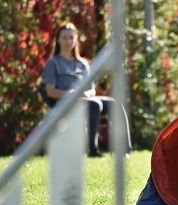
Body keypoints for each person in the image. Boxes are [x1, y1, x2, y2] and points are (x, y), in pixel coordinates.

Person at [41, 22, 132, 157]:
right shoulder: (53, 63)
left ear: (76, 40)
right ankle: (92, 149)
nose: (68, 41)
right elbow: (50, 92)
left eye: (71, 37)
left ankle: (124, 150)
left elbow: (92, 90)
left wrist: (85, 93)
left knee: (115, 103)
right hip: (64, 103)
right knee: (94, 104)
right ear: (58, 40)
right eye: (64, 37)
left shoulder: (83, 64)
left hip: (84, 99)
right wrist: (70, 94)